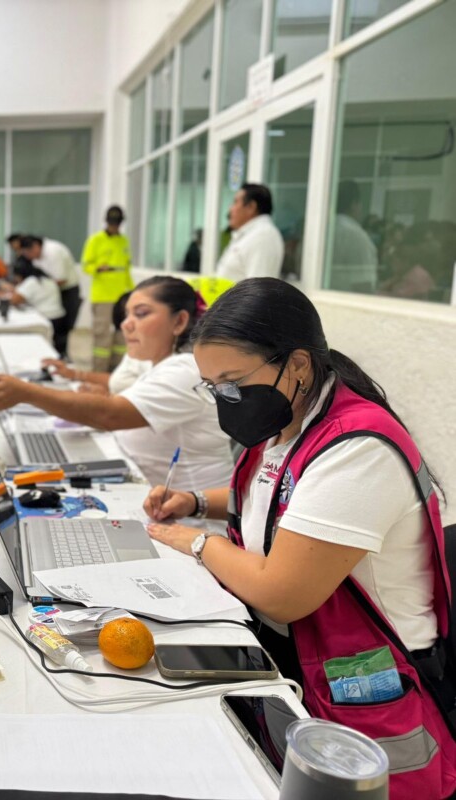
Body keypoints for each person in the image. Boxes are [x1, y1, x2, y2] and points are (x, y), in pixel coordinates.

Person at [142, 278, 455, 799]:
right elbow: (279, 499)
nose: (226, 400)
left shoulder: (358, 449)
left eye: (233, 382)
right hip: (297, 661)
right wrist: (195, 502)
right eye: (212, 387)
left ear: (299, 365)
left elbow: (282, 593)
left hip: (367, 686)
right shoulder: (288, 417)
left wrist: (196, 542)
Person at [0, 276, 232, 490]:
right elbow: (119, 401)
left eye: (141, 314)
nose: (126, 325)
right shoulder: (157, 363)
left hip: (185, 519)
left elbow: (111, 414)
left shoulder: (187, 370)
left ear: (179, 321)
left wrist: (27, 392)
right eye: (126, 315)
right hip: (148, 489)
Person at [41, 291, 151, 396]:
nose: (127, 326)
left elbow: (138, 404)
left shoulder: (158, 366)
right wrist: (74, 374)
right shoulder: (138, 352)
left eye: (140, 315)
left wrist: (106, 397)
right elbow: (119, 381)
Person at [81, 205, 133, 372]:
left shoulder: (123, 241)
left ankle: (116, 371)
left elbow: (126, 269)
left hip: (121, 297)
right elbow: (85, 266)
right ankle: (98, 372)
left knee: (121, 336)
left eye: (117, 223)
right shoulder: (95, 240)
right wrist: (98, 268)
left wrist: (132, 291)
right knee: (102, 336)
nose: (114, 226)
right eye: (112, 223)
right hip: (103, 297)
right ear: (106, 222)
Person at [19, 235, 80, 357]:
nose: (29, 258)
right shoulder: (37, 256)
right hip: (54, 291)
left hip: (67, 291)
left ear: (35, 246)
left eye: (27, 253)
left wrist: (36, 288)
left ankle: (61, 355)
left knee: (64, 326)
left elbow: (61, 280)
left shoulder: (53, 252)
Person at [215, 183, 284, 282]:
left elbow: (259, 287)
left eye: (235, 202)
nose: (231, 208)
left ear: (251, 207)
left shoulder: (263, 236)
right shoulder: (249, 234)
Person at [330, 180, 379, 293]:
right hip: (344, 298)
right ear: (354, 204)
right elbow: (364, 284)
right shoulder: (355, 235)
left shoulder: (324, 230)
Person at [3, 256, 66, 342]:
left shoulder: (31, 281)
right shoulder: (46, 278)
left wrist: (13, 288)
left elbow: (14, 300)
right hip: (59, 318)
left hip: (47, 319)